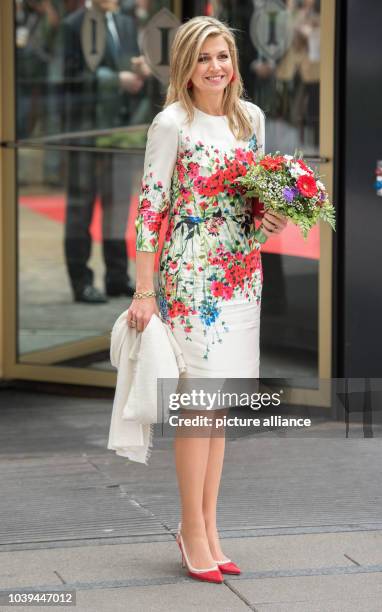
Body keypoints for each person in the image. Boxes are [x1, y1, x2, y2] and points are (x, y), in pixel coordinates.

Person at [127, 16, 287, 582]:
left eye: (223, 56)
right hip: (191, 279)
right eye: (204, 58)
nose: (216, 67)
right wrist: (144, 290)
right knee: (198, 407)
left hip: (243, 274)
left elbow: (259, 199)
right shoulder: (171, 123)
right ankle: (191, 530)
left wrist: (270, 218)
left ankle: (209, 527)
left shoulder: (253, 120)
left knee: (218, 410)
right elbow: (150, 208)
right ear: (185, 67)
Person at [63, 0, 149, 303]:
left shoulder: (125, 23)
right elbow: (69, 78)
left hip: (119, 133)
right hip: (86, 132)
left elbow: (125, 65)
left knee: (118, 207)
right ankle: (81, 281)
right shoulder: (73, 24)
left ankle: (116, 276)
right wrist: (116, 80)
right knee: (81, 207)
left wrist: (139, 69)